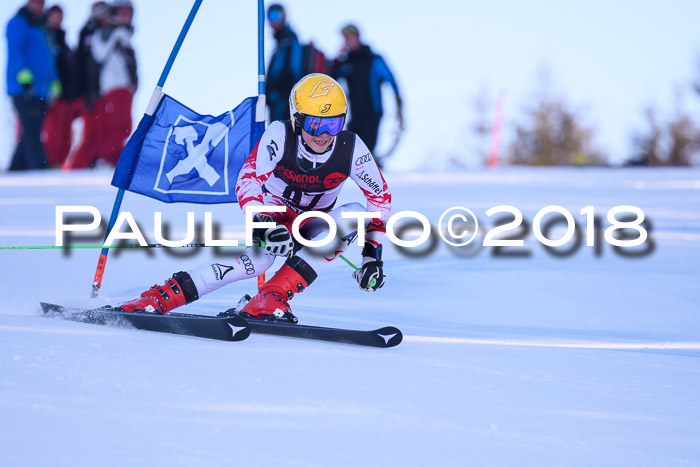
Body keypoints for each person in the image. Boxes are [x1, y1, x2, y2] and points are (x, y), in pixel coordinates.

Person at [118, 74, 391, 321]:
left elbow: (380, 199)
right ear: (297, 119)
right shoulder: (280, 135)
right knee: (259, 260)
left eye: (334, 124)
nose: (324, 135)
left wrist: (371, 256)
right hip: (276, 214)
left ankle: (270, 297)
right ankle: (163, 296)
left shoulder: (351, 148)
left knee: (354, 213)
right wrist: (264, 225)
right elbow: (247, 180)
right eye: (315, 124)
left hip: (315, 224)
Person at [332, 24, 403, 166]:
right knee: (349, 149)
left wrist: (398, 102)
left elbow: (391, 79)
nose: (348, 41)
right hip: (355, 114)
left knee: (367, 151)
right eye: (346, 38)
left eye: (350, 37)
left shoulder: (374, 59)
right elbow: (332, 80)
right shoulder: (346, 62)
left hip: (373, 113)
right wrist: (338, 59)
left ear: (358, 37)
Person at [5, 0, 59, 171]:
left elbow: (48, 56)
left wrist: (54, 81)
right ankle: (39, 170)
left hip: (41, 89)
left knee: (31, 130)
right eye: (36, 2)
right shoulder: (19, 22)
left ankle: (15, 170)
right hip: (24, 88)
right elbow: (15, 51)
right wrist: (23, 75)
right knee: (33, 130)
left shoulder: (41, 26)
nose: (39, 5)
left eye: (42, 2)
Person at [65, 1, 111, 169]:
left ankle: (87, 168)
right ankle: (74, 170)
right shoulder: (89, 32)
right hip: (87, 95)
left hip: (96, 93)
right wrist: (83, 94)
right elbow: (82, 67)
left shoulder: (103, 33)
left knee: (100, 134)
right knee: (90, 136)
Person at [42, 5, 78, 167]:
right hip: (52, 92)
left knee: (65, 134)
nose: (57, 20)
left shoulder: (62, 39)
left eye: (60, 17)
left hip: (67, 94)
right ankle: (51, 164)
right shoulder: (44, 36)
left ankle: (61, 165)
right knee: (53, 133)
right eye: (54, 16)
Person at [265, 3, 304, 122]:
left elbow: (294, 70)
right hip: (276, 98)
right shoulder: (280, 42)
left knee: (281, 132)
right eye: (271, 16)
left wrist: (279, 92)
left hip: (284, 99)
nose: (274, 20)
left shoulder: (289, 41)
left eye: (277, 15)